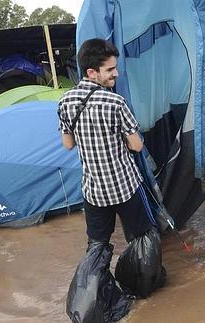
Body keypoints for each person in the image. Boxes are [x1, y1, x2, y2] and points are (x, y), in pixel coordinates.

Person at [57, 38, 152, 246]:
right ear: (92, 72)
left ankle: (96, 278)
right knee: (141, 240)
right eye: (110, 69)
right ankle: (142, 278)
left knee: (97, 245)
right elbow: (137, 146)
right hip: (125, 186)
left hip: (94, 191)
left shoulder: (65, 101)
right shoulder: (116, 102)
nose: (116, 74)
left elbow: (68, 144)